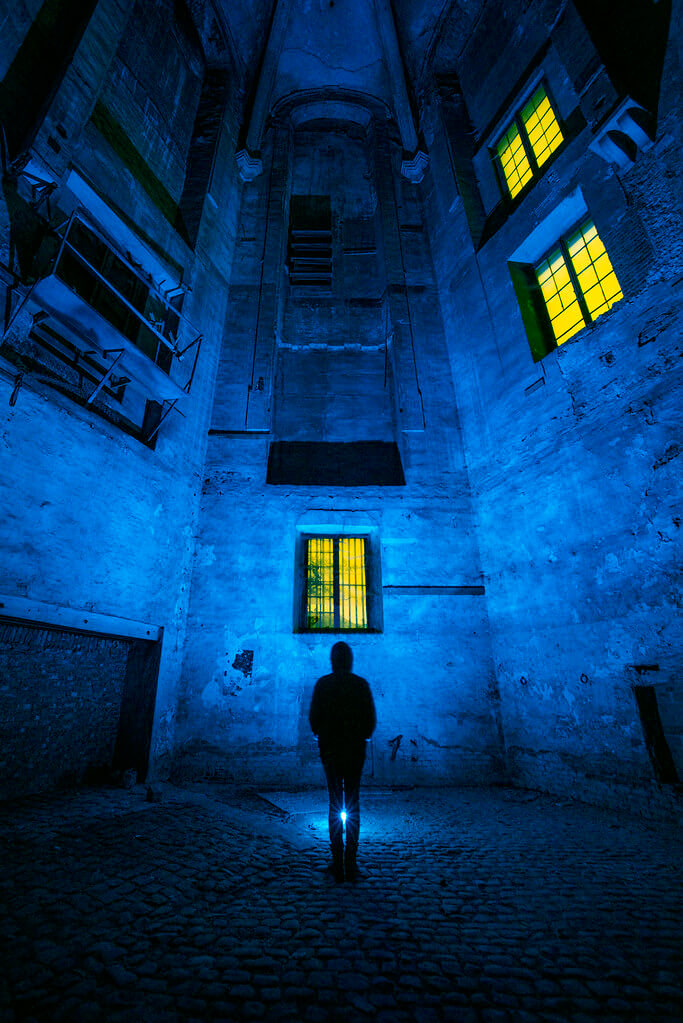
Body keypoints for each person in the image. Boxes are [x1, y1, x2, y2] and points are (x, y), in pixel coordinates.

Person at [309, 642, 376, 882]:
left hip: (330, 753)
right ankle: (351, 862)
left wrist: (324, 736)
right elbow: (370, 720)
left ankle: (337, 862)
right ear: (350, 660)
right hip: (355, 752)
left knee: (335, 803)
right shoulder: (360, 685)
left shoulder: (323, 684)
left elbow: (313, 719)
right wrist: (360, 737)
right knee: (353, 803)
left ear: (332, 660)